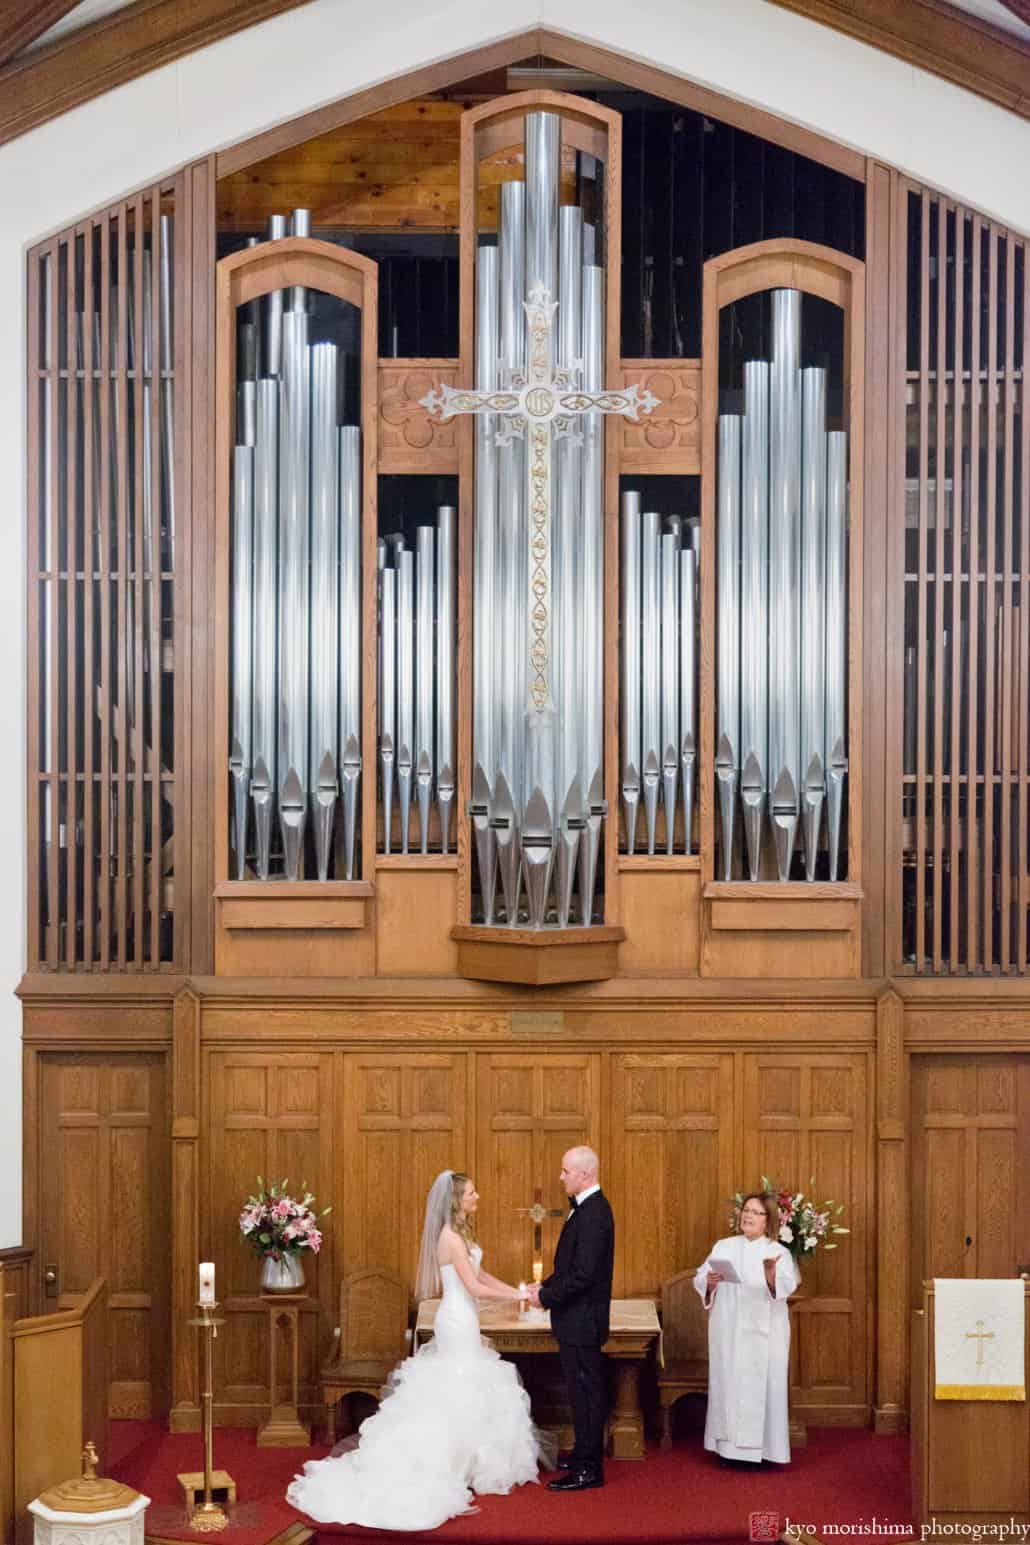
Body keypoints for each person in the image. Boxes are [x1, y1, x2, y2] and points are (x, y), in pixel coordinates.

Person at [287, 1170, 555, 1531]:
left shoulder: (462, 1234)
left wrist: (520, 1291)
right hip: (457, 1320)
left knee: (466, 1390)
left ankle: (470, 1462)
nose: (478, 1197)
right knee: (456, 1389)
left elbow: (483, 1275)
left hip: (465, 1320)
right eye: (472, 1193)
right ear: (456, 1200)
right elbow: (474, 1288)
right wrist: (519, 1296)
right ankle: (445, 1463)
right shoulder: (450, 1239)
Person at [527, 1145, 614, 1493]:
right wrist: (544, 1285)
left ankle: (588, 1469)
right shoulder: (587, 1208)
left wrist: (546, 1297)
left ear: (585, 1174)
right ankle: (582, 1454)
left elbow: (583, 1276)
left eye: (566, 1171)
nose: (560, 1177)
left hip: (582, 1321)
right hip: (575, 1320)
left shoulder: (594, 1213)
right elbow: (569, 1269)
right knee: (581, 1394)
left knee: (587, 1395)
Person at [693, 1191, 800, 1466]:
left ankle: (764, 1452)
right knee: (729, 1383)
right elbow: (701, 1277)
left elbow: (786, 1288)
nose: (748, 1216)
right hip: (728, 1332)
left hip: (766, 1334)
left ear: (768, 1221)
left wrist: (770, 1276)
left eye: (756, 1212)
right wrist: (711, 1283)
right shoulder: (724, 1246)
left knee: (764, 1386)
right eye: (746, 1210)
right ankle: (728, 1451)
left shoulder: (778, 1252)